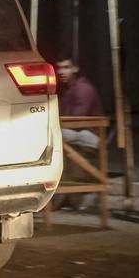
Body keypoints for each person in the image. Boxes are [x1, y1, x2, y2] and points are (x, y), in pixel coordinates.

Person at [55, 56, 105, 209]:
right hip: (75, 132)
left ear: (75, 68)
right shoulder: (66, 90)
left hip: (90, 134)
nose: (61, 71)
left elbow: (77, 120)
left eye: (66, 67)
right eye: (59, 68)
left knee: (53, 135)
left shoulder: (84, 89)